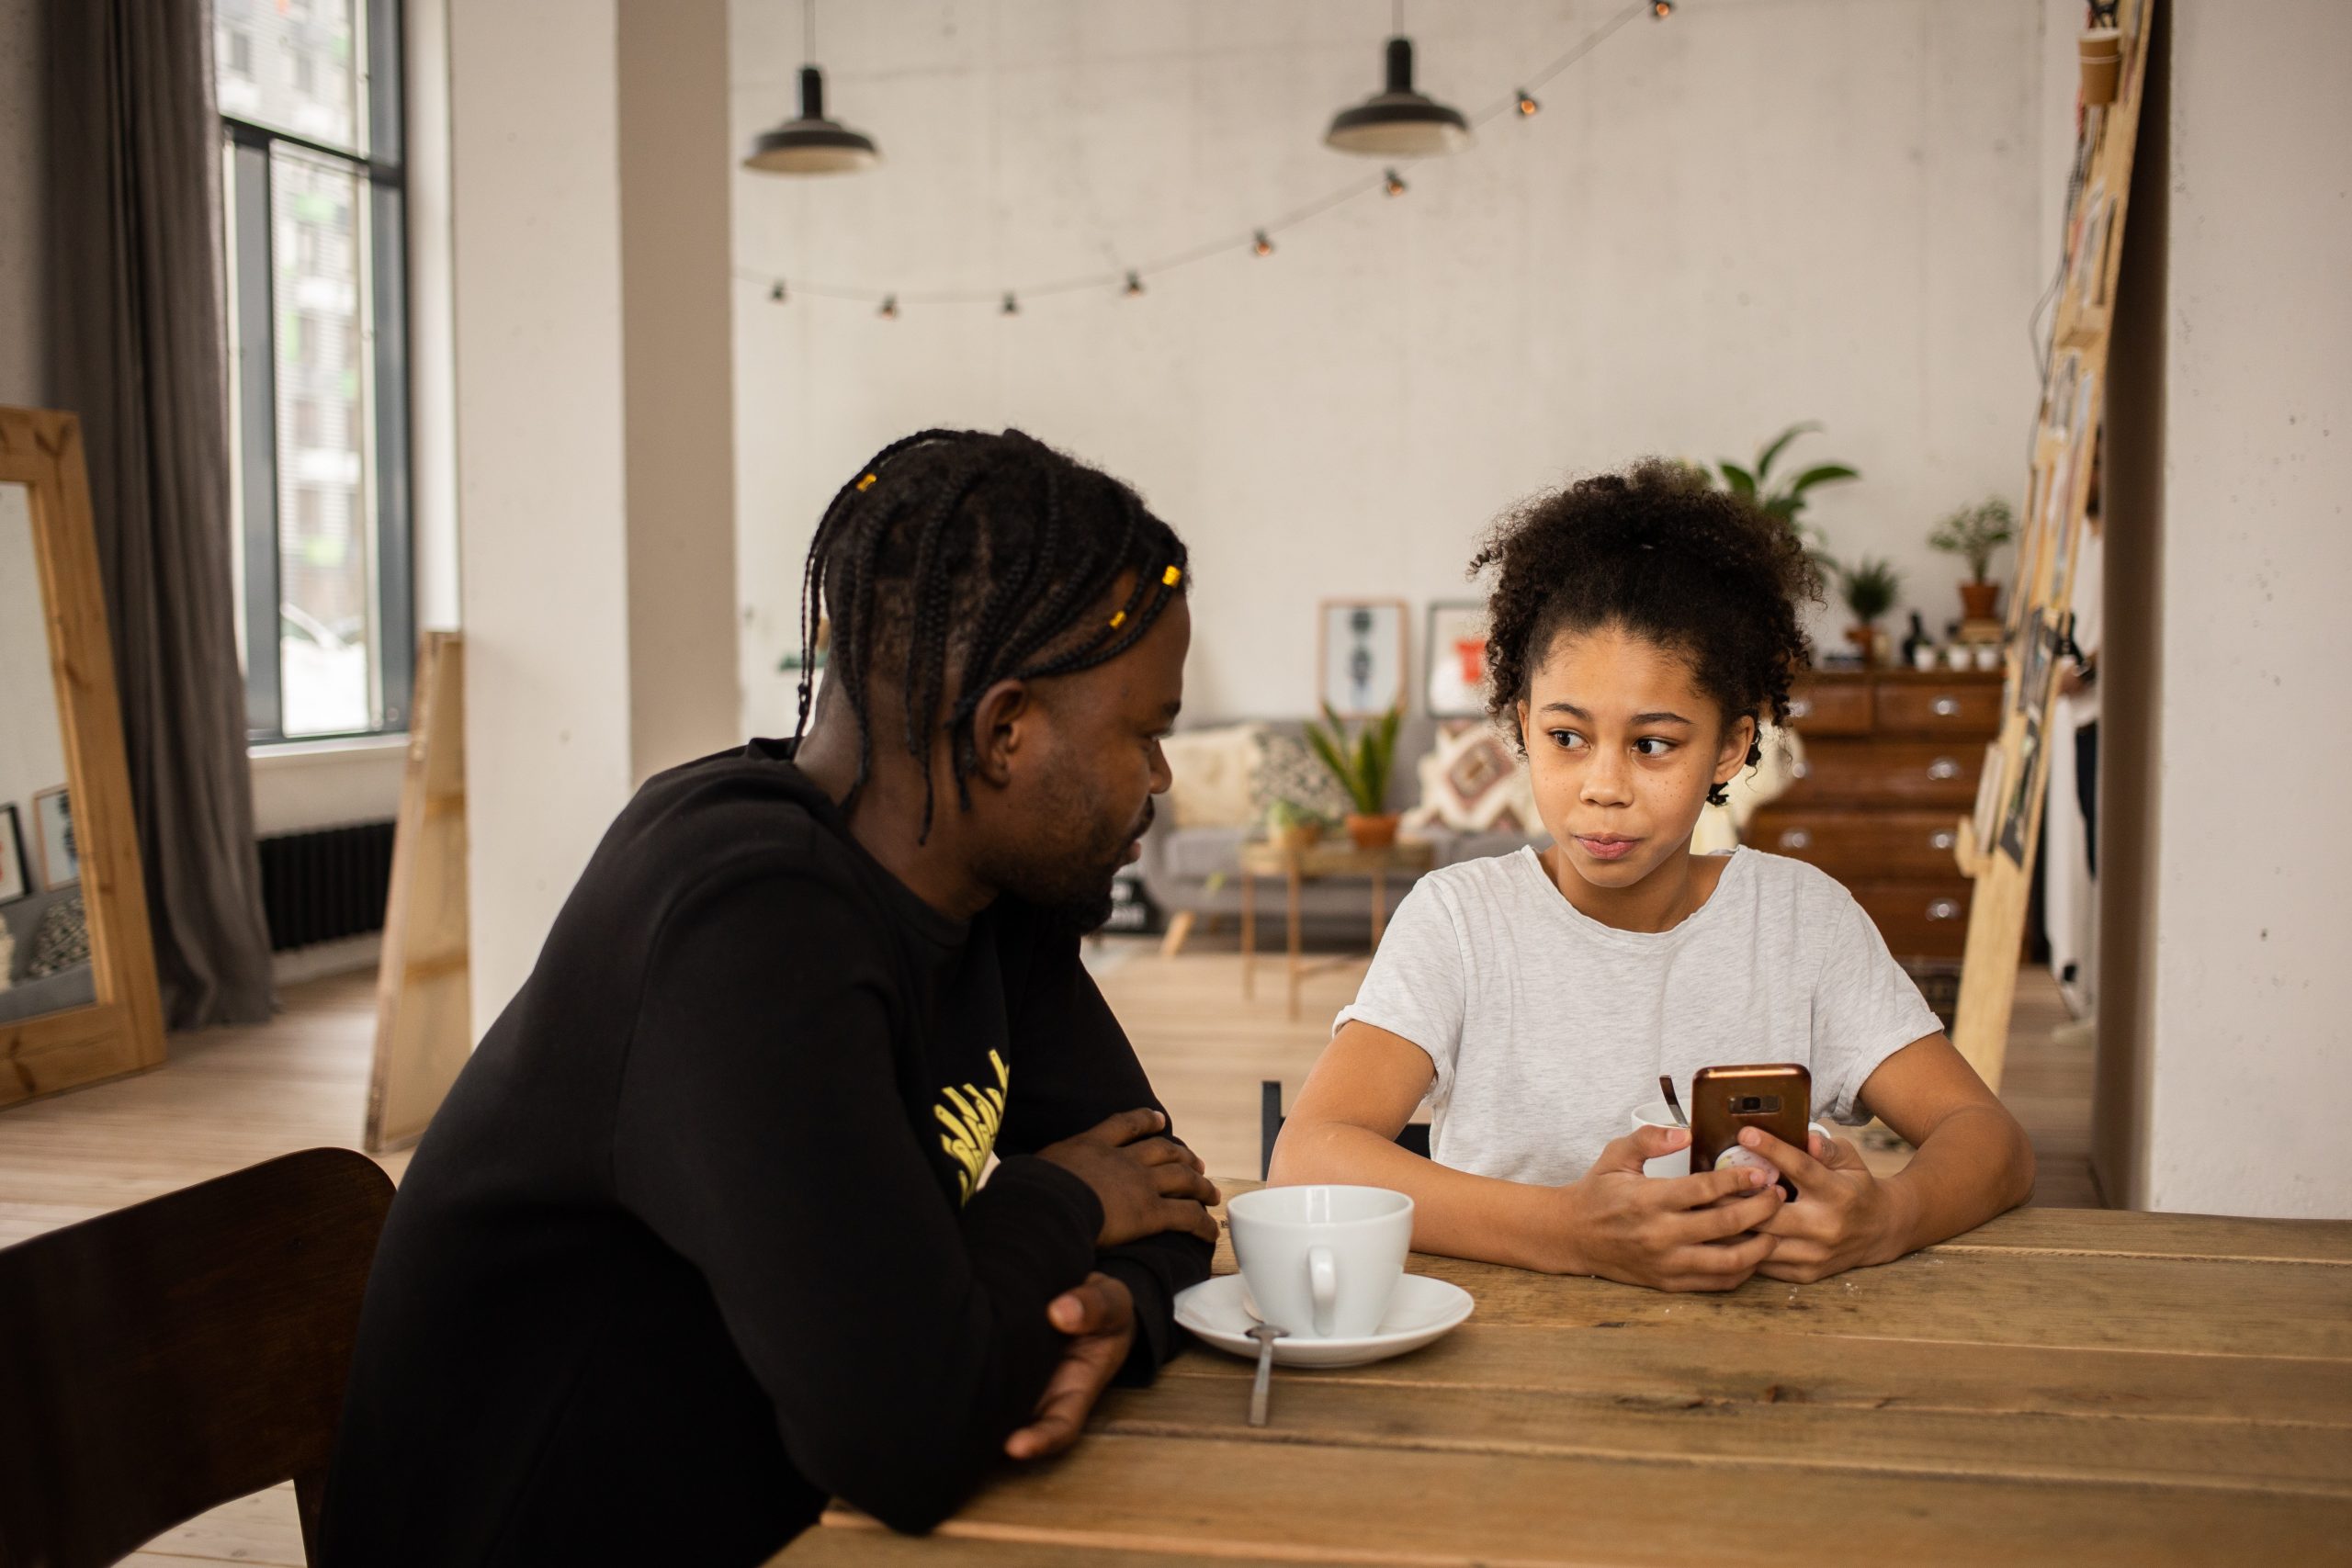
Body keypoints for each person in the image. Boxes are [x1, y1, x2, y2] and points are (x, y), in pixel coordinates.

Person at [320, 430, 1220, 1564]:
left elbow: (1164, 1189)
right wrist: (1055, 1204)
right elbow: (912, 1437)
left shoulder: (994, 884)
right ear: (1004, 732)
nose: (1159, 778)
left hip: (778, 1516)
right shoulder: (740, 914)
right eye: (1145, 732)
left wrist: (1119, 1318)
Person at [1272, 461, 2033, 1292]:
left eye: (1653, 744)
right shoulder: (1459, 921)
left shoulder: (1800, 922)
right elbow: (1308, 1156)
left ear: (1733, 747)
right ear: (1525, 723)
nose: (1604, 785)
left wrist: (1890, 1216)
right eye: (1567, 736)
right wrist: (1571, 1230)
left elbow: (1989, 1138)